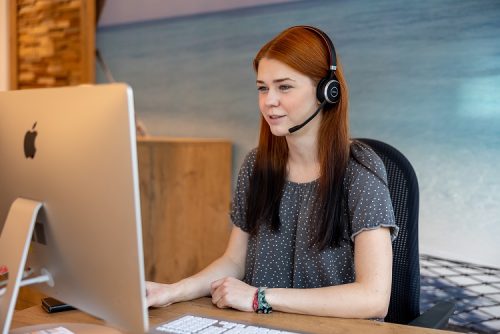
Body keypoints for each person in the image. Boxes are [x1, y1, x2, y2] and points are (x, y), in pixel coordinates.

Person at [146, 25, 398, 319]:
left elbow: (373, 299)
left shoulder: (359, 170)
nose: (269, 101)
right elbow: (234, 261)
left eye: (284, 87)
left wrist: (259, 298)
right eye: (263, 88)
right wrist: (172, 291)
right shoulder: (257, 166)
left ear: (326, 92)